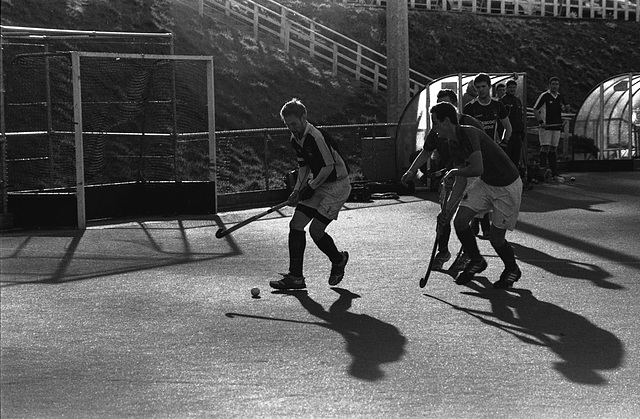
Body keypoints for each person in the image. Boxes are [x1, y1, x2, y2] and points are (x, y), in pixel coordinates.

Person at [428, 102, 523, 289]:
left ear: (447, 121)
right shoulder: (452, 142)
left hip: (507, 185)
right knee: (459, 221)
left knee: (496, 239)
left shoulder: (469, 133)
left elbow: (476, 168)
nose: (434, 129)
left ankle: (512, 269)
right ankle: (477, 260)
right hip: (486, 183)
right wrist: (446, 211)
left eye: (435, 123)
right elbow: (461, 180)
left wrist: (454, 171)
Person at [269, 98, 351, 290]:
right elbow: (304, 166)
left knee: (316, 230)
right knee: (296, 224)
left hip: (337, 186)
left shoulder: (316, 136)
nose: (291, 128)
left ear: (304, 118)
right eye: (287, 125)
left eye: (294, 124)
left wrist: (311, 186)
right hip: (321, 183)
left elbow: (328, 166)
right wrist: (297, 190)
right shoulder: (295, 139)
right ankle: (296, 277)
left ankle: (338, 260)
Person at [402, 89, 483, 271]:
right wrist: (412, 171)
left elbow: (481, 153)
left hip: (471, 175)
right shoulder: (437, 131)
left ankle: (468, 253)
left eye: (446, 104)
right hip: (451, 174)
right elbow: (426, 152)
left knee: (466, 215)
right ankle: (443, 251)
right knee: (445, 214)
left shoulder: (469, 125)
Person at [463, 73, 512, 239]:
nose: (481, 90)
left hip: (492, 153)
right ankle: (480, 222)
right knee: (476, 186)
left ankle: (483, 221)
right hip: (476, 153)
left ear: (489, 87)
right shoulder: (470, 108)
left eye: (483, 87)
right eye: (478, 88)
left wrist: (503, 144)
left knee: (491, 187)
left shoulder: (498, 105)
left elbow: (508, 127)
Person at [533, 77, 570, 183]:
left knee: (554, 148)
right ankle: (542, 171)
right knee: (545, 147)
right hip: (546, 127)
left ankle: (554, 172)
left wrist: (566, 108)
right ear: (549, 85)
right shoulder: (544, 96)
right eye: (553, 84)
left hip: (557, 126)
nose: (555, 86)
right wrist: (541, 122)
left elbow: (564, 107)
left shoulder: (559, 97)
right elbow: (535, 109)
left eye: (557, 84)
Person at [500, 79, 526, 170]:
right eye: (510, 88)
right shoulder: (503, 101)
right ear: (506, 88)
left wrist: (522, 131)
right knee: (507, 158)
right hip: (508, 135)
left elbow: (520, 117)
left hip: (517, 134)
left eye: (514, 88)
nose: (512, 89)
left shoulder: (518, 100)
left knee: (516, 158)